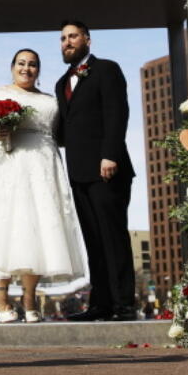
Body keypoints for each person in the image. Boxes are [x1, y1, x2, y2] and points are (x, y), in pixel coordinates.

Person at [0, 48, 88, 322]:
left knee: (40, 228)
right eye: (21, 63)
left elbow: (63, 132)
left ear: (39, 69)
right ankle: (0, 297)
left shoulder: (50, 100)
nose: (27, 69)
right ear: (12, 66)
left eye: (33, 65)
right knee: (1, 226)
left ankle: (29, 298)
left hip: (43, 165)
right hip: (8, 164)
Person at [55, 20, 137, 321]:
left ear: (87, 40)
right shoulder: (61, 82)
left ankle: (124, 305)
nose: (67, 42)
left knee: (113, 237)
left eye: (73, 36)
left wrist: (110, 155)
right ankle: (100, 304)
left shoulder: (107, 69)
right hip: (78, 174)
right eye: (63, 38)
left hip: (108, 169)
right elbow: (65, 131)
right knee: (93, 240)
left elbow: (118, 112)